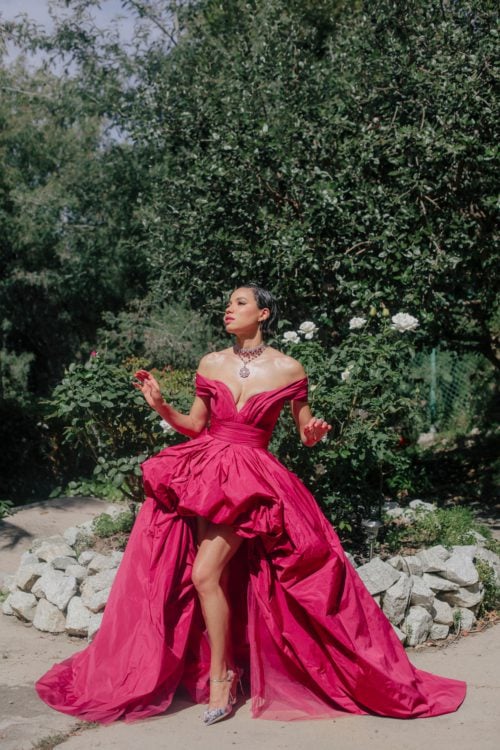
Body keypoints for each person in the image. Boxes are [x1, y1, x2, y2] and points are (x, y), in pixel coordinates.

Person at [35, 283, 466, 726]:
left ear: (263, 314)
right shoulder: (211, 362)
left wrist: (314, 433)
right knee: (205, 576)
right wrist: (163, 406)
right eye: (228, 303)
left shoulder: (289, 368)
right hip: (205, 473)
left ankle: (223, 677)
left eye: (240, 302)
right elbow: (195, 425)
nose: (229, 308)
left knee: (204, 574)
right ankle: (218, 668)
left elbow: (304, 429)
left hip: (250, 483)